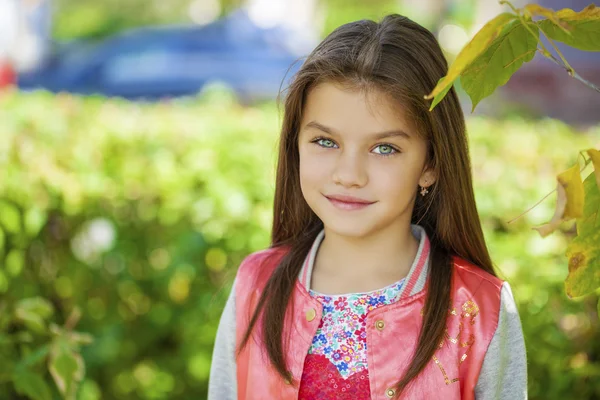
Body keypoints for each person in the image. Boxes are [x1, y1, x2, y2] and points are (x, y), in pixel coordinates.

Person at [208, 13, 527, 400]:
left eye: (384, 148)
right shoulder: (256, 286)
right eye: (325, 141)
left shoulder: (479, 308)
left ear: (430, 165)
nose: (349, 174)